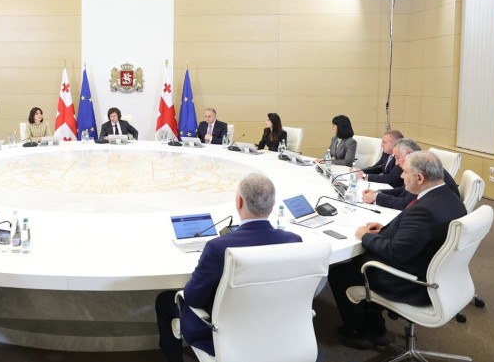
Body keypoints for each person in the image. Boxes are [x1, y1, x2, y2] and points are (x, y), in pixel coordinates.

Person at [154, 174, 302, 362]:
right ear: (272, 204)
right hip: (278, 330)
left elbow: (193, 297)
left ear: (239, 202)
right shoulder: (294, 241)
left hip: (226, 337)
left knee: (164, 300)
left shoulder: (219, 247)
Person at [328, 151, 466, 350]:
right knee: (361, 262)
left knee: (341, 272)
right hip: (436, 272)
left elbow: (395, 252)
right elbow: (417, 234)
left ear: (419, 178)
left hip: (411, 281)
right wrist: (384, 230)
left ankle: (359, 331)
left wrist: (366, 236)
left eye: (404, 172)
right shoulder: (450, 199)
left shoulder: (424, 209)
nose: (401, 176)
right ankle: (375, 326)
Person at [361, 138, 460, 210]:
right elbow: (403, 191)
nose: (396, 163)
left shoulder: (420, 169)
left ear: (408, 153)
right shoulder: (421, 164)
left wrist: (376, 197)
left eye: (397, 157)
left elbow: (406, 204)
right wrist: (378, 192)